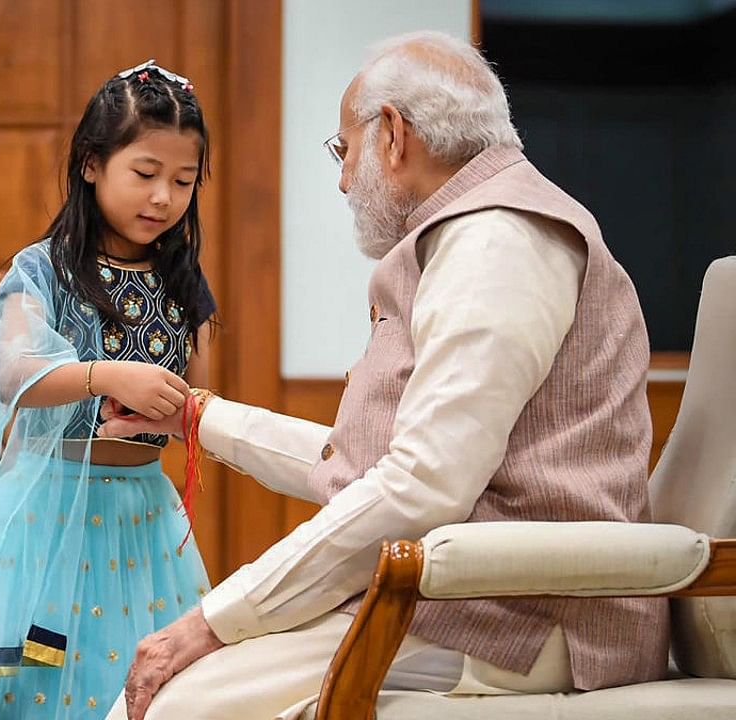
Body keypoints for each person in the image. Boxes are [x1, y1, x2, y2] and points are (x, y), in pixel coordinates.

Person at [99, 32, 665, 720]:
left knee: (171, 705)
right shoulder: (469, 235)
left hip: (521, 618)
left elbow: (420, 484)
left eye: (344, 151)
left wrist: (211, 622)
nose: (341, 179)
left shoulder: (497, 241)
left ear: (392, 135)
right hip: (467, 594)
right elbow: (376, 467)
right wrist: (198, 418)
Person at [0, 59, 217, 718]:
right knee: (36, 669)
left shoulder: (181, 279)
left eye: (183, 181)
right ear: (91, 164)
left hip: (144, 516)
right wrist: (106, 376)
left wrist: (172, 414)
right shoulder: (44, 269)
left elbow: (195, 397)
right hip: (52, 522)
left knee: (148, 680)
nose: (164, 198)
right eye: (145, 174)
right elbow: (15, 373)